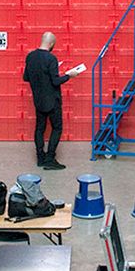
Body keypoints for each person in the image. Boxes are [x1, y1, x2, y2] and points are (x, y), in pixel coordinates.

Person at [22, 32, 83, 169]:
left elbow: (26, 77)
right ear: (51, 44)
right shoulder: (51, 59)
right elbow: (55, 81)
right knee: (57, 128)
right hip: (52, 101)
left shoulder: (30, 57)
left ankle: (40, 157)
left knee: (39, 128)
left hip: (38, 100)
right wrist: (69, 75)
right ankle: (50, 158)